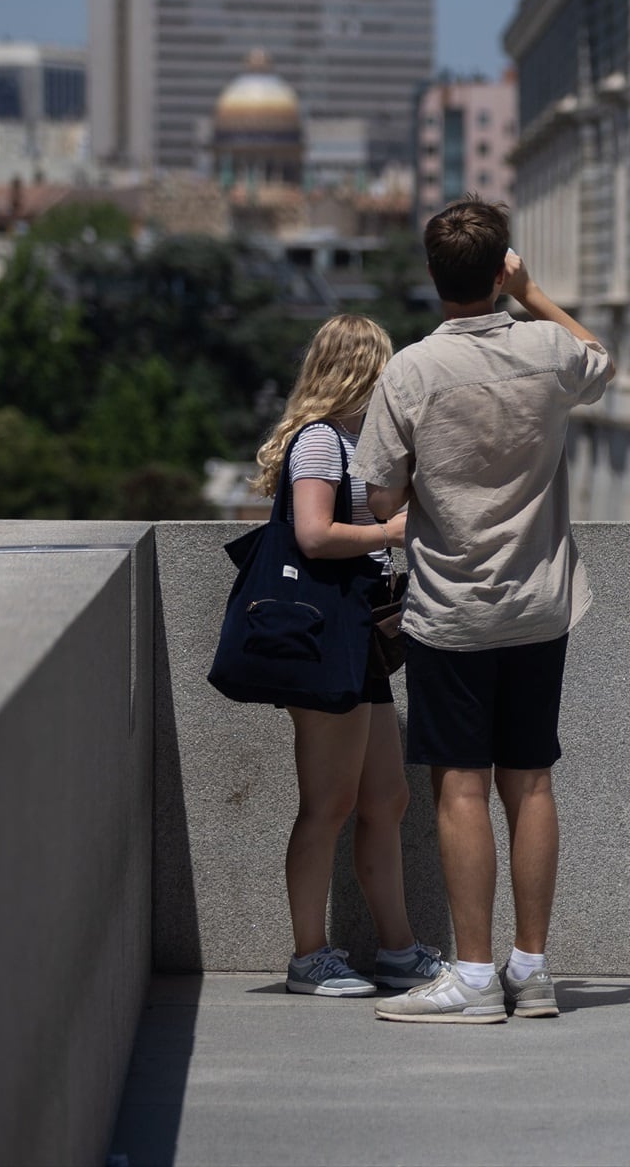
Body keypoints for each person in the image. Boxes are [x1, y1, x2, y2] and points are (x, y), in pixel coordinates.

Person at [353, 198, 615, 1024]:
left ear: (434, 277)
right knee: (530, 779)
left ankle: (472, 976)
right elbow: (600, 360)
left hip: (453, 606)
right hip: (540, 602)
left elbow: (380, 492)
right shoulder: (545, 351)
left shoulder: (410, 372)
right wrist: (534, 295)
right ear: (502, 266)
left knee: (460, 785)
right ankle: (530, 971)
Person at [247, 314, 441, 997]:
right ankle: (309, 956)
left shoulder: (355, 443)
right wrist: (388, 529)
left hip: (354, 640)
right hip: (323, 639)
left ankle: (397, 949)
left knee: (384, 798)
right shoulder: (322, 444)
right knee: (326, 803)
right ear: (361, 370)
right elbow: (311, 533)